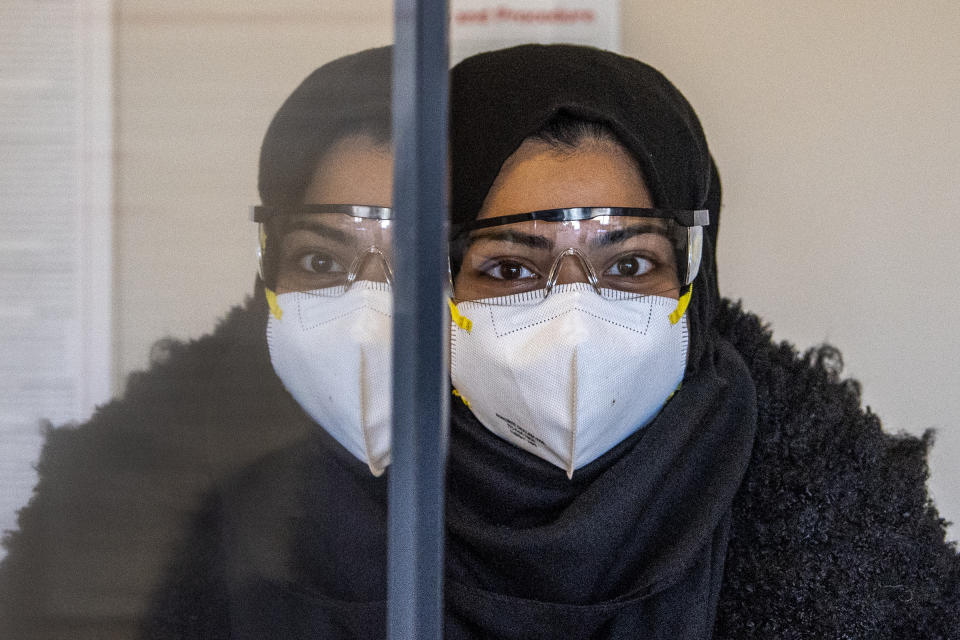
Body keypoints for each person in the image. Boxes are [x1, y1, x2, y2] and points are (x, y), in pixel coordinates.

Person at [144, 43, 959, 639]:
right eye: (509, 269)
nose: (572, 317)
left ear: (695, 285)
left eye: (630, 262)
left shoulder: (837, 538)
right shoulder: (283, 527)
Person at [0, 46, 395, 640]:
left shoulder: (525, 483)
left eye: (421, 262)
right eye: (320, 260)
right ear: (269, 263)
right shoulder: (130, 488)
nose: (368, 310)